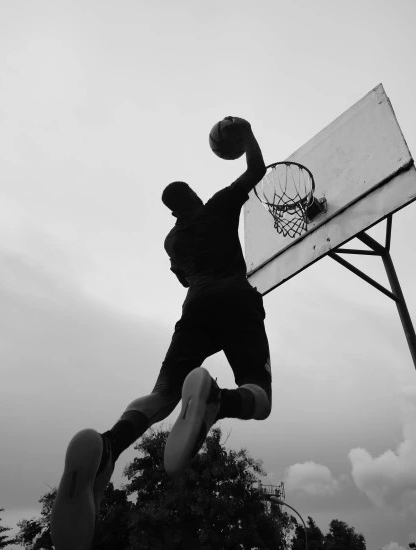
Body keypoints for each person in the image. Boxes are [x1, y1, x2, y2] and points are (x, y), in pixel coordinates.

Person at [50, 118, 272, 549]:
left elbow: (184, 280)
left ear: (172, 212)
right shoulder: (220, 205)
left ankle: (108, 445)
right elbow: (257, 170)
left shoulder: (172, 242)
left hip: (194, 310)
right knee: (259, 397)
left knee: (163, 394)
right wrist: (246, 137)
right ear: (192, 198)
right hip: (235, 299)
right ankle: (217, 402)